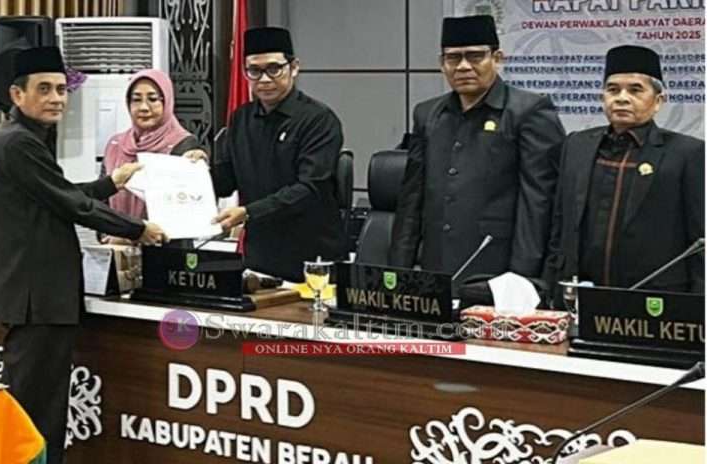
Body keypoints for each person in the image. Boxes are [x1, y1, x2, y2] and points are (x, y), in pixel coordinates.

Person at [0, 47, 167, 464]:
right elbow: (71, 204)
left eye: (62, 89)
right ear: (17, 94)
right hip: (38, 299)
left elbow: (58, 195)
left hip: (37, 298)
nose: (56, 99)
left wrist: (111, 183)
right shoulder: (17, 143)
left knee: (38, 409)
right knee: (36, 416)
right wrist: (138, 228)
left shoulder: (23, 138)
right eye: (44, 89)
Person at [389, 15, 565, 281]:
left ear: (497, 58)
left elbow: (538, 205)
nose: (463, 66)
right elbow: (411, 199)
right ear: (442, 64)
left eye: (474, 56)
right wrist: (397, 271)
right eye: (453, 58)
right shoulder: (427, 114)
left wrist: (520, 279)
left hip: (497, 266)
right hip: (435, 264)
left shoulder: (529, 112)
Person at [544, 45, 704, 302]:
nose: (621, 98)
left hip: (654, 297)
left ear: (658, 101)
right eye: (613, 90)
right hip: (580, 292)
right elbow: (559, 224)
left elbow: (699, 239)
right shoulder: (576, 145)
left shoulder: (686, 153)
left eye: (635, 90)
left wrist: (698, 305)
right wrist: (551, 286)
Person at [187, 27, 346, 281]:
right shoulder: (241, 118)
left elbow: (309, 188)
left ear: (294, 67)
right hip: (259, 256)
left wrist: (248, 212)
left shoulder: (319, 120)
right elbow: (226, 180)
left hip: (311, 257)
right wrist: (193, 172)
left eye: (274, 69)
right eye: (254, 71)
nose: (264, 79)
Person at [103, 69, 202, 219]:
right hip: (116, 233)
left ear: (167, 102)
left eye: (153, 99)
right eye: (136, 99)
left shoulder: (183, 143)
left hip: (164, 233)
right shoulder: (115, 145)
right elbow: (102, 198)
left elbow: (185, 204)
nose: (144, 107)